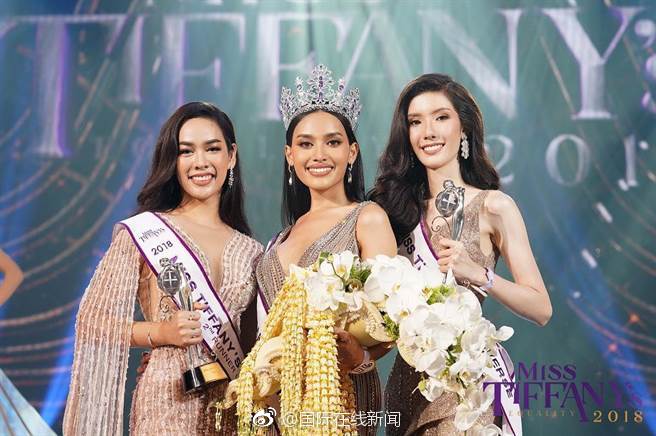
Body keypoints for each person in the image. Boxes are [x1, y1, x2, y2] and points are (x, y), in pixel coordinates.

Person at [63, 102, 262, 435]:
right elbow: (92, 321)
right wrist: (161, 333)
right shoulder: (145, 232)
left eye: (212, 149)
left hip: (232, 402)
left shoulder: (252, 250)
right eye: (186, 151)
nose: (200, 162)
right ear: (173, 160)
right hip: (167, 399)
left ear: (231, 155)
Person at [369, 73, 552, 435]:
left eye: (441, 117)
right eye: (415, 122)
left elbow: (541, 308)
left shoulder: (494, 206)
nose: (428, 132)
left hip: (467, 388)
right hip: (408, 387)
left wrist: (479, 274)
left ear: (464, 127)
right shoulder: (393, 213)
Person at [255, 64, 397, 435]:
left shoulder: (367, 218)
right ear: (289, 155)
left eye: (332, 142)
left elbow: (391, 319)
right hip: (277, 399)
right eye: (305, 144)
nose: (319, 154)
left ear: (352, 152)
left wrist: (360, 356)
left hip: (339, 394)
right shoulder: (280, 239)